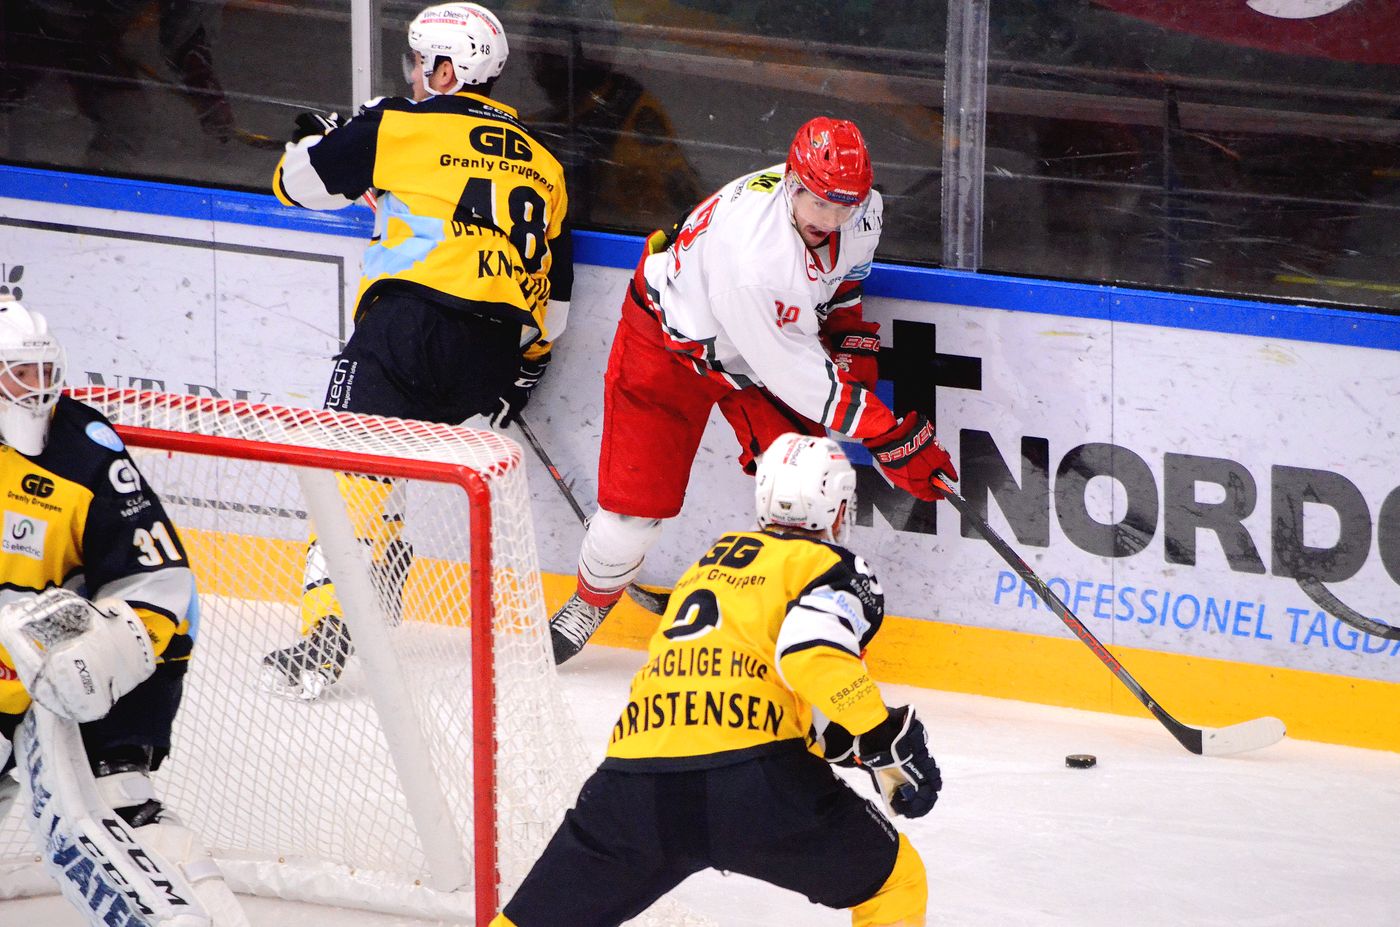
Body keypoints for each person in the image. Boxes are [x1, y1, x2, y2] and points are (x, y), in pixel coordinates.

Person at [549, 115, 957, 664]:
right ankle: (590, 600)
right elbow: (794, 375)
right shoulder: (754, 259)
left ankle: (786, 614)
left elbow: (843, 284)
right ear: (792, 181)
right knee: (632, 515)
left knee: (808, 489)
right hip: (669, 347)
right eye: (819, 202)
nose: (830, 220)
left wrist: (848, 338)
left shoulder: (862, 212)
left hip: (759, 354)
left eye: (844, 205)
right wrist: (892, 439)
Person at [494, 433, 939, 927]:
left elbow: (742, 678)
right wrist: (879, 731)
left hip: (635, 782)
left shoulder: (705, 567)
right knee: (894, 883)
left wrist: (853, 744)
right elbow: (811, 655)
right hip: (755, 782)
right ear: (838, 506)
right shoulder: (832, 566)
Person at [265, 2, 572, 698]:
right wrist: (525, 371)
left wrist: (317, 139)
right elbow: (555, 306)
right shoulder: (548, 164)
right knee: (390, 452)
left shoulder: (398, 123)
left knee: (347, 471)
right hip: (491, 359)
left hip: (407, 329)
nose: (412, 73)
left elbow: (295, 187)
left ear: (447, 71)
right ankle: (389, 558)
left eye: (421, 62)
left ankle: (324, 634)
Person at [0, 297, 245, 924]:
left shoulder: (84, 453)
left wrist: (102, 653)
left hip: (81, 670)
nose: (37, 389)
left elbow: (160, 580)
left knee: (121, 806)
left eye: (43, 371)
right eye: (19, 374)